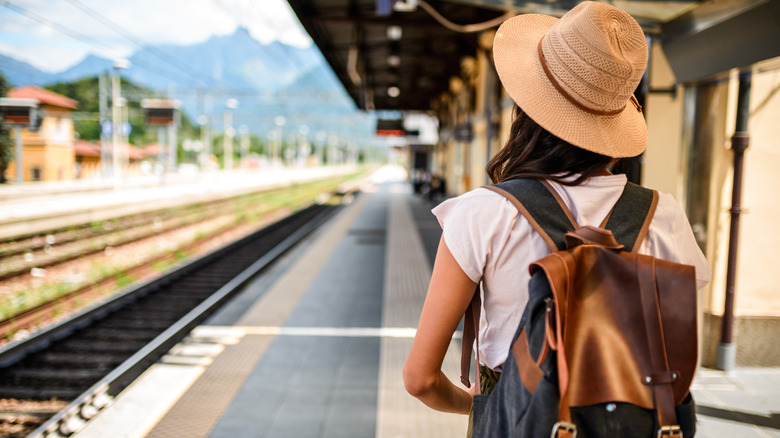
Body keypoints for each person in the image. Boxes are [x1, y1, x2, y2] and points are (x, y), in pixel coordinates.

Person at [402, 1, 712, 433]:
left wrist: (479, 408)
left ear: (527, 111)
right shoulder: (665, 216)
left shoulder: (484, 213)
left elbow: (420, 379)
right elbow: (677, 357)